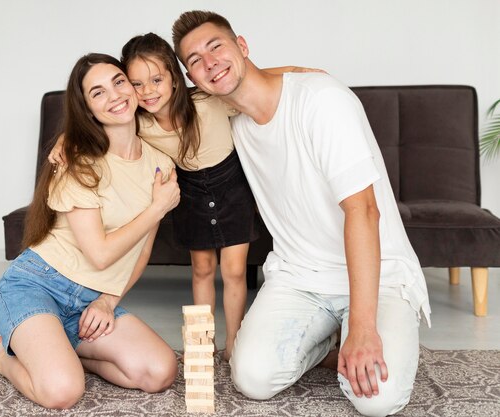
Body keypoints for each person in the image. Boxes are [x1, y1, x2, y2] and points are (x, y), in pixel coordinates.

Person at [171, 10, 431, 417]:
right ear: (193, 79)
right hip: (300, 276)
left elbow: (363, 211)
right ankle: (330, 341)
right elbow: (149, 104)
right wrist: (69, 140)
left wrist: (363, 328)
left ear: (242, 45)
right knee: (251, 378)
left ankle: (357, 331)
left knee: (377, 400)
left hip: (378, 276)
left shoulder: (320, 99)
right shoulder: (226, 118)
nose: (209, 63)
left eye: (216, 47)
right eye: (195, 61)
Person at [49, 33, 319, 360]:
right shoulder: (138, 122)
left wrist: (301, 72)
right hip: (188, 192)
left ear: (175, 79)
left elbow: (253, 80)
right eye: (136, 84)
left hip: (232, 188)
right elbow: (92, 120)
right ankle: (201, 344)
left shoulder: (208, 100)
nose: (148, 91)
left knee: (234, 271)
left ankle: (234, 342)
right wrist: (65, 139)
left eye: (157, 79)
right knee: (202, 269)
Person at [0, 53, 180, 409]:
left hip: (91, 299)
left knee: (159, 372)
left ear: (133, 88)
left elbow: (142, 249)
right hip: (37, 284)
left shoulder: (159, 165)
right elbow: (99, 253)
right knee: (62, 393)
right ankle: (0, 355)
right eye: (98, 92)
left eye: (119, 82)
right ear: (87, 110)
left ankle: (60, 351)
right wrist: (157, 208)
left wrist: (108, 300)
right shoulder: (78, 163)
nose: (115, 95)